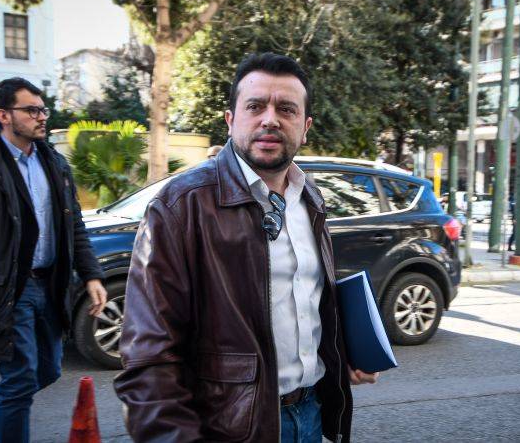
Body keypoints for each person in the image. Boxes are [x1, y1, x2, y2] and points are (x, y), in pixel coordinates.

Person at [114, 53, 377, 443]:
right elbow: (148, 358)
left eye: (286, 109)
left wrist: (344, 352)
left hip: (311, 416)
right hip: (229, 427)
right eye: (255, 106)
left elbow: (305, 303)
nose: (270, 119)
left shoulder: (310, 198)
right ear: (230, 119)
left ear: (305, 127)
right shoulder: (181, 206)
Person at [0, 77, 107, 443]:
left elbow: (73, 226)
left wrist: (91, 275)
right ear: (3, 115)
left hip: (50, 284)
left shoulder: (55, 163)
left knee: (48, 370)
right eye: (31, 110)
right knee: (21, 377)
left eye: (43, 110)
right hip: (8, 288)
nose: (42, 117)